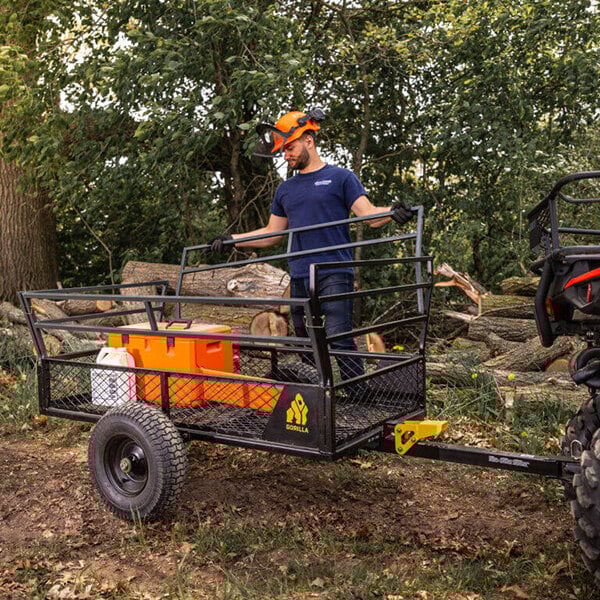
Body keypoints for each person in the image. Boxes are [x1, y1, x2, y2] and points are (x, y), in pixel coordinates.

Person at [208, 109, 413, 392]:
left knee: (338, 336)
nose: (286, 155)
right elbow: (271, 234)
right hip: (301, 274)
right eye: (283, 151)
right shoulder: (286, 190)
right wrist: (232, 239)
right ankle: (318, 395)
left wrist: (393, 212)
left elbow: (368, 215)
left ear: (308, 140)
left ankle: (358, 396)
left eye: (290, 147)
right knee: (306, 340)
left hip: (334, 270)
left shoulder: (341, 177)